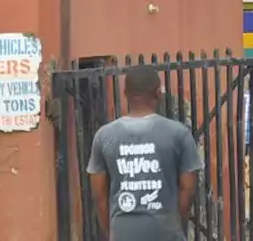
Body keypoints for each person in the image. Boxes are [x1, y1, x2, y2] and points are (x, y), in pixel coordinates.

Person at [86, 66, 204, 240]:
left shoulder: (104, 136)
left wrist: (113, 232)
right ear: (158, 93)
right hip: (166, 232)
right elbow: (189, 189)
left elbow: (98, 194)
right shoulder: (178, 134)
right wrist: (175, 225)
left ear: (125, 93)